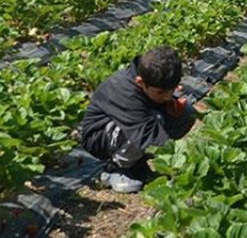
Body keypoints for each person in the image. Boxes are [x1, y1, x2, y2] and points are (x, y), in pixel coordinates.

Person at [78, 46, 196, 193]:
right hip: (100, 139)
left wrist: (171, 106)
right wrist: (183, 163)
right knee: (154, 119)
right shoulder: (123, 91)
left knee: (187, 112)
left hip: (132, 129)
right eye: (161, 92)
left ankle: (137, 162)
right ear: (140, 82)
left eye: (171, 90)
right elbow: (148, 134)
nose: (167, 96)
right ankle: (117, 167)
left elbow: (157, 105)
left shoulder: (153, 79)